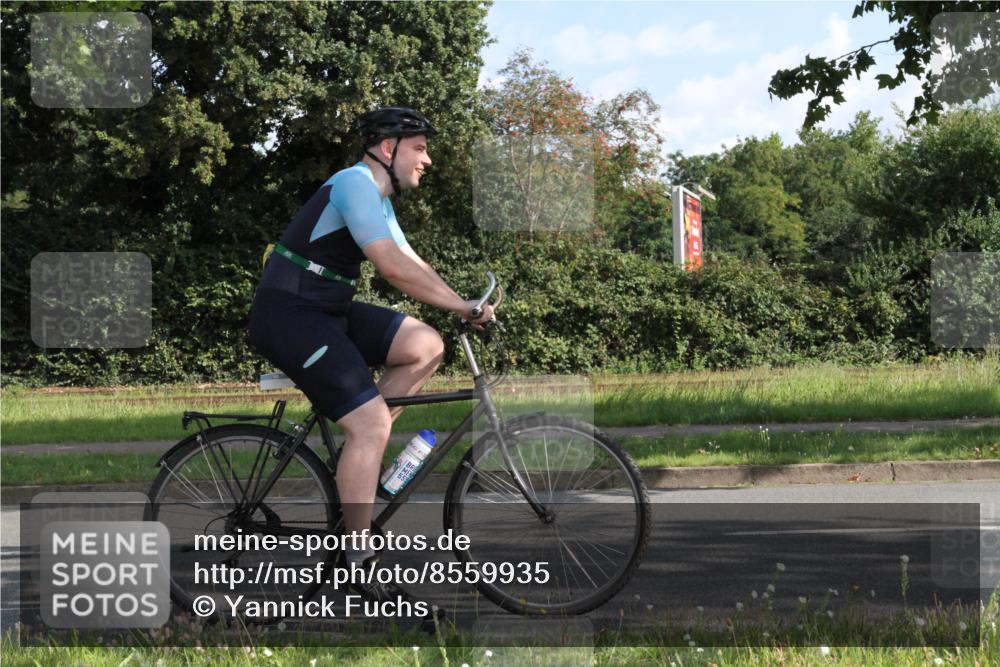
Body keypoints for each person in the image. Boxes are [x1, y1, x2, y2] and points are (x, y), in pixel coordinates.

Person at [249, 106, 494, 613]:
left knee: (425, 345)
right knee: (370, 426)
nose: (428, 159)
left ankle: (360, 456)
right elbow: (389, 267)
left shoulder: (380, 197)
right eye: (419, 148)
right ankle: (356, 561)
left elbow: (412, 263)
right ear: (388, 149)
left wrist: (463, 304)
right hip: (291, 312)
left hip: (327, 308)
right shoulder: (354, 184)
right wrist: (461, 304)